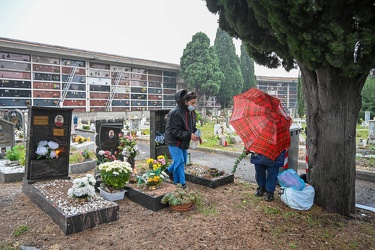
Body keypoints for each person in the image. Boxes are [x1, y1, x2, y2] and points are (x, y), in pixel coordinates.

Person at [164, 89, 199, 189]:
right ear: (185, 102)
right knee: (179, 161)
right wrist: (189, 135)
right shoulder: (175, 112)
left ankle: (168, 171)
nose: (194, 105)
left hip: (183, 140)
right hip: (174, 141)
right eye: (192, 103)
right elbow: (175, 130)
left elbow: (192, 125)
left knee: (182, 160)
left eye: (195, 103)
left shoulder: (191, 112)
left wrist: (196, 133)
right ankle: (180, 184)